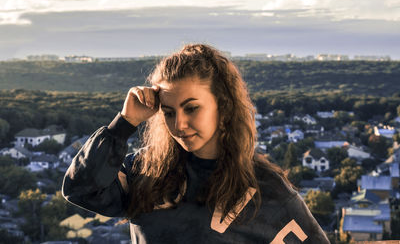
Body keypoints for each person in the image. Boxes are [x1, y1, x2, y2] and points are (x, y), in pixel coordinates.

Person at [62, 44, 330, 243]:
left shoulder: (265, 190)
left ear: (222, 107)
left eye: (192, 108)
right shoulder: (146, 172)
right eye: (168, 112)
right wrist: (124, 124)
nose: (179, 124)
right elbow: (80, 190)